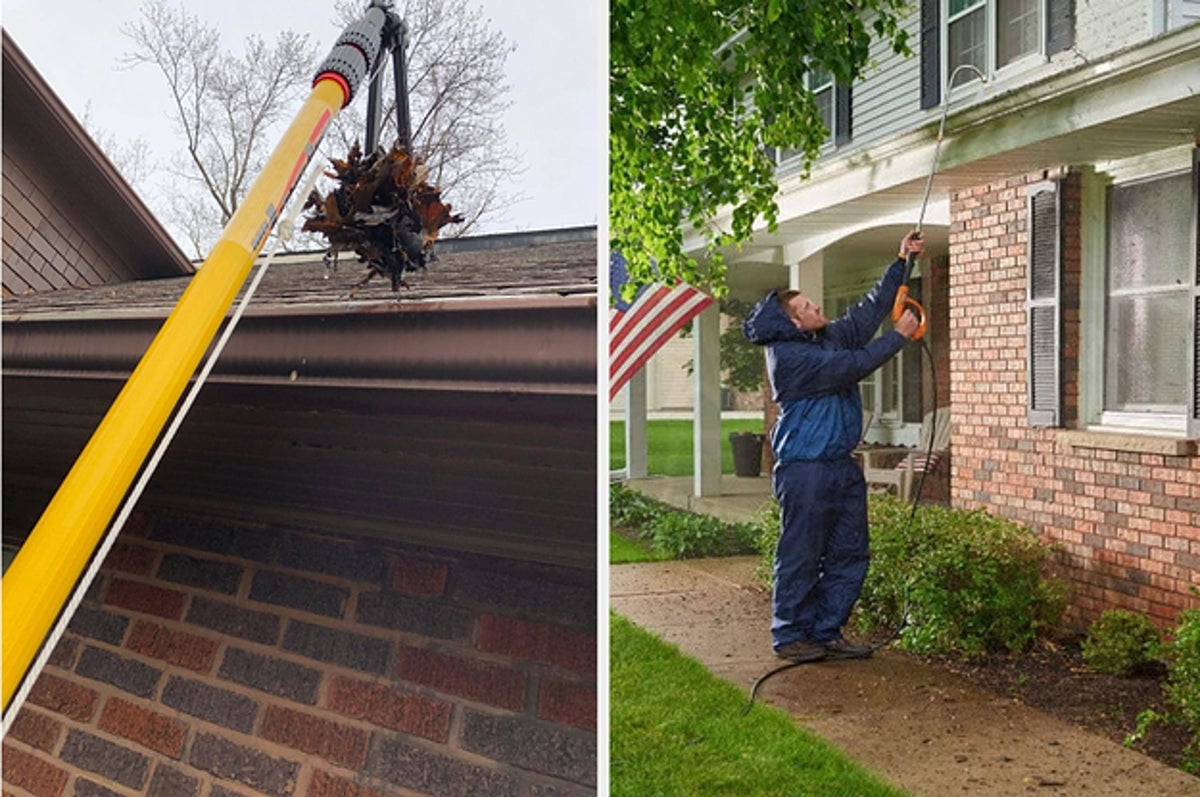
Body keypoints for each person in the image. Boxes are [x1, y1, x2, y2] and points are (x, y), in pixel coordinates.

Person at [742, 231, 924, 662]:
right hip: (805, 469)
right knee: (802, 553)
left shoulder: (820, 337)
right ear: (791, 323)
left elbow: (865, 316)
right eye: (807, 308)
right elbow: (853, 365)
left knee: (850, 550)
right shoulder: (790, 358)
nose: (816, 308)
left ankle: (826, 631)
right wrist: (898, 336)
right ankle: (790, 636)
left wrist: (901, 263)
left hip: (840, 466)